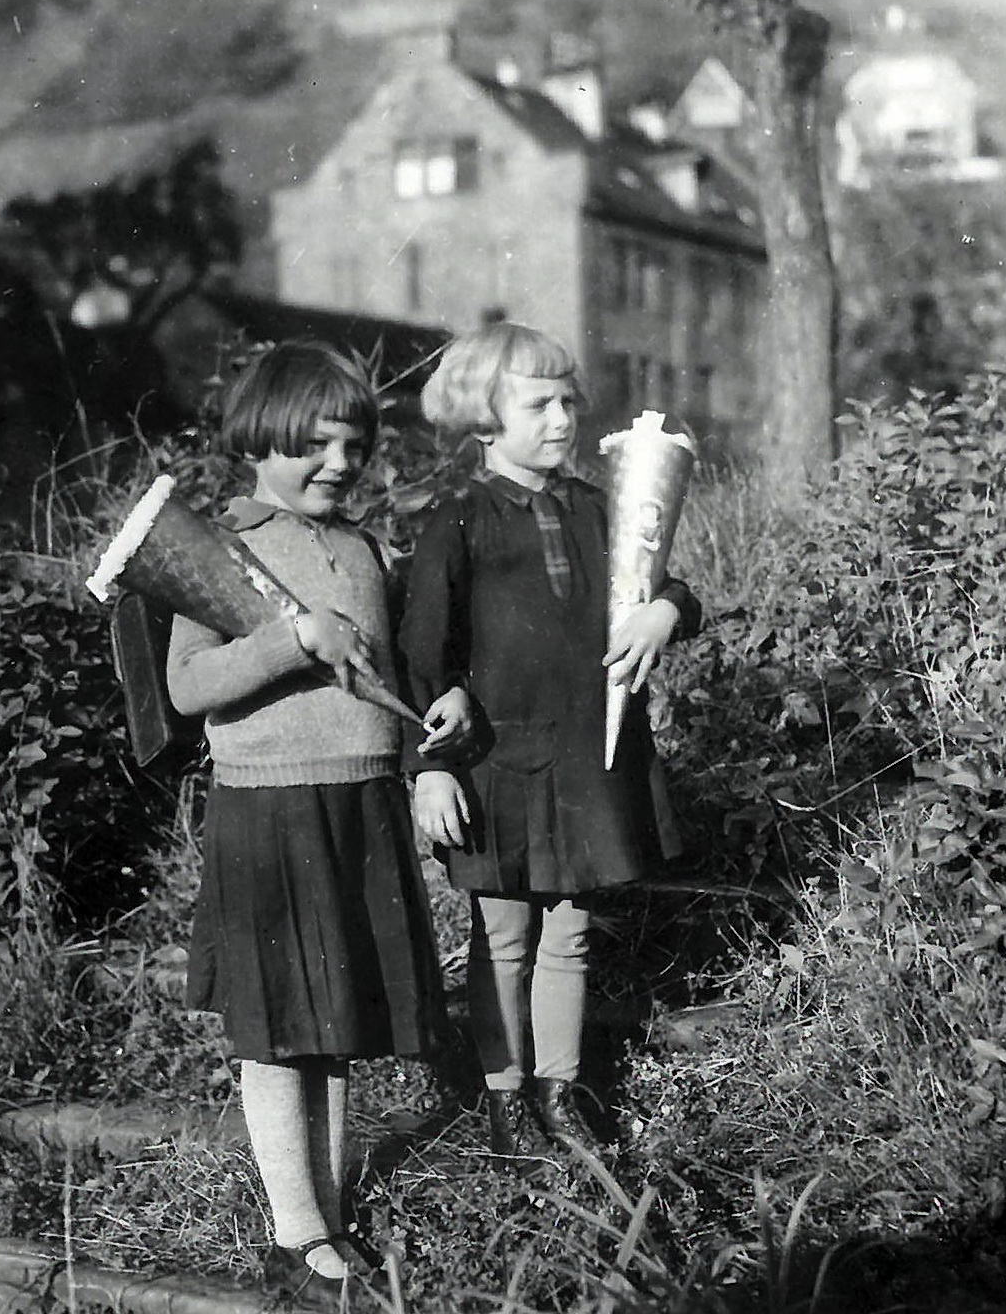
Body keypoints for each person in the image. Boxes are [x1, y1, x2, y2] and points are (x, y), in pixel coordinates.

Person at [167, 341, 444, 1308]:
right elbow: (189, 684)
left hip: (360, 800)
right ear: (260, 438)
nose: (338, 464)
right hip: (270, 808)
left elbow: (394, 671)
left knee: (335, 1020)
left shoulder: (369, 548)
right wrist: (288, 638)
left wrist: (435, 712)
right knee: (279, 1027)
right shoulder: (217, 549)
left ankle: (324, 1218)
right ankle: (297, 1235)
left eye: (354, 448)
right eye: (315, 446)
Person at [398, 322, 701, 1162]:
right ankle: (501, 1099)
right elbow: (423, 656)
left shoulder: (598, 507)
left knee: (569, 933)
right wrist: (427, 767)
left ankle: (556, 1095)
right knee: (501, 937)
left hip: (585, 759)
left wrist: (665, 611)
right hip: (496, 760)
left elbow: (664, 578)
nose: (562, 418)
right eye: (538, 403)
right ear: (483, 417)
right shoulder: (455, 523)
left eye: (568, 399)